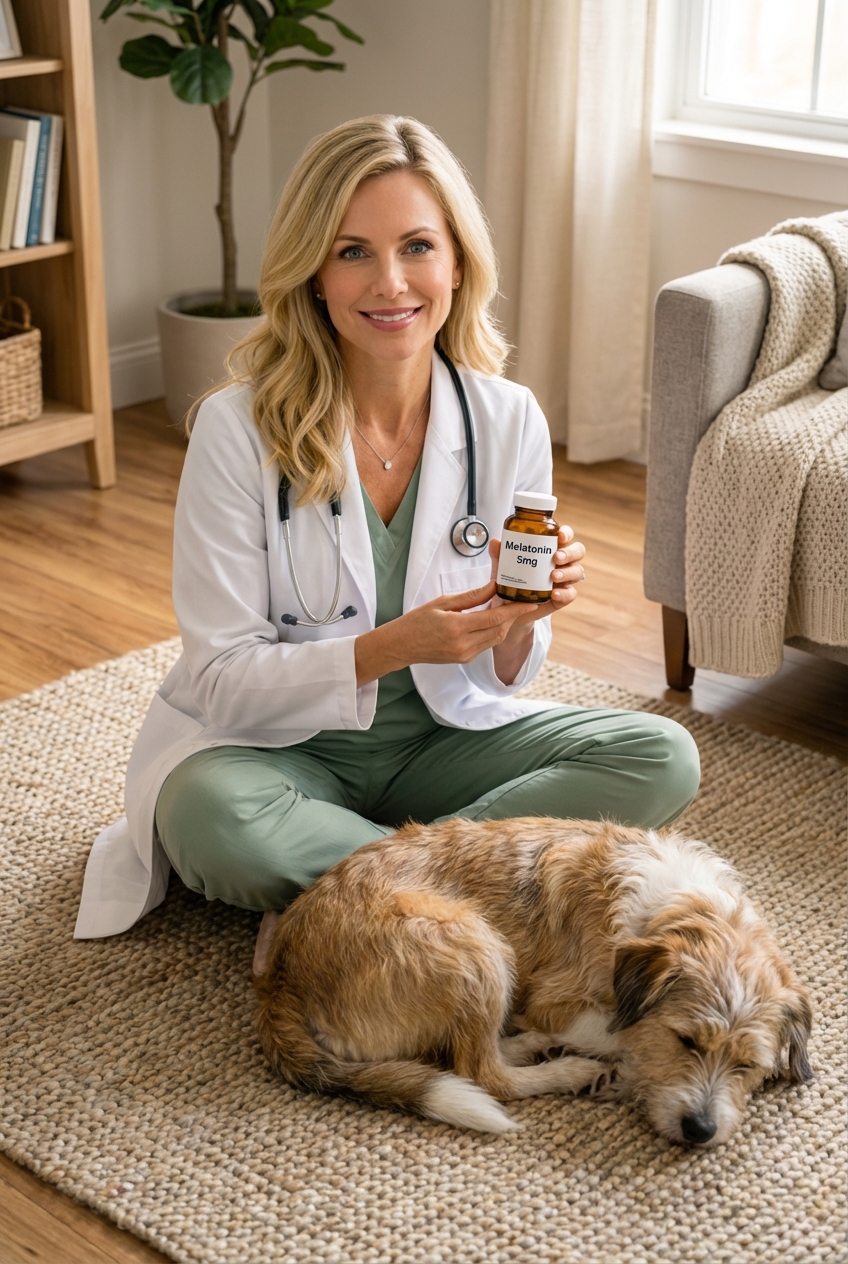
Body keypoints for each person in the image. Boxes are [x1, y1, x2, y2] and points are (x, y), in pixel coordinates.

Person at [74, 116, 700, 965]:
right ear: (314, 273)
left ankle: (350, 896)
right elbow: (222, 682)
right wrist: (393, 646)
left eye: (417, 246)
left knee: (660, 755)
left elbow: (506, 674)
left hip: (441, 743)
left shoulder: (506, 417)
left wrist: (522, 619)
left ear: (457, 263)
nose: (391, 282)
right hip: (273, 753)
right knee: (210, 818)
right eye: (353, 252)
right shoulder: (235, 428)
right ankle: (462, 895)